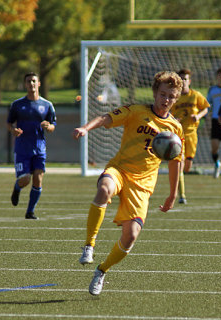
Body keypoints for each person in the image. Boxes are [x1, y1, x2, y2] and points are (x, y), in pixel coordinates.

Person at [73, 71, 184, 296]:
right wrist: (86, 128)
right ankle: (89, 245)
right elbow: (106, 118)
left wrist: (173, 194)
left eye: (171, 96)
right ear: (155, 92)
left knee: (130, 236)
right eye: (163, 94)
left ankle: (102, 270)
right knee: (104, 189)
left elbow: (175, 162)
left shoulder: (175, 129)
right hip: (120, 170)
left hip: (143, 186)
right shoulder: (136, 111)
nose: (166, 100)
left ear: (176, 98)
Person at [7, 72, 56, 220]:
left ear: (39, 83)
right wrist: (13, 130)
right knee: (25, 179)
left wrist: (48, 127)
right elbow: (9, 123)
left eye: (34, 81)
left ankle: (30, 211)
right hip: (22, 148)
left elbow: (53, 125)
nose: (31, 84)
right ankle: (17, 188)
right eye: (28, 81)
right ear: (25, 84)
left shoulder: (47, 105)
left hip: (39, 148)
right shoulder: (17, 105)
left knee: (38, 179)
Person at [170, 69, 210, 204]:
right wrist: (173, 119)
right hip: (178, 135)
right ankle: (181, 195)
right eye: (180, 79)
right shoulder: (174, 97)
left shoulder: (195, 95)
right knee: (179, 165)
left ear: (189, 81)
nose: (183, 81)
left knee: (187, 166)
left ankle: (181, 190)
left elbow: (205, 108)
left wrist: (197, 116)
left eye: (185, 79)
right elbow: (167, 113)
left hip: (192, 135)